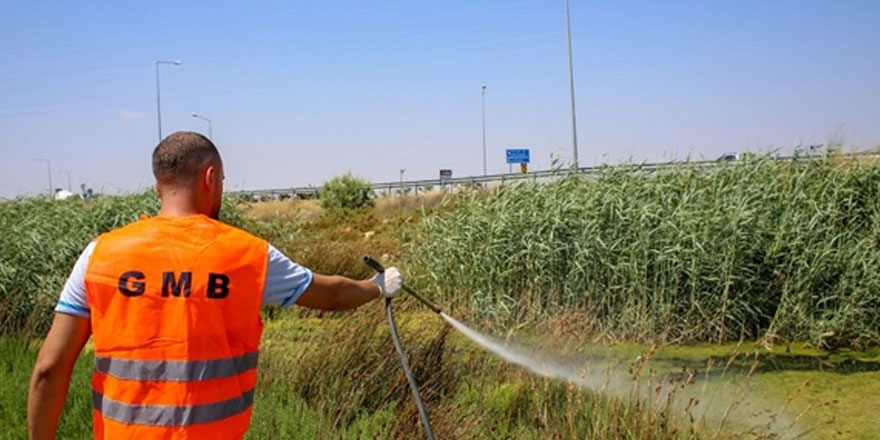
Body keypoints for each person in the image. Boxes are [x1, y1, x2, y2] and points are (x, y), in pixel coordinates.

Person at [27, 132, 402, 440]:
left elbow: (48, 369)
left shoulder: (100, 254)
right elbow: (332, 295)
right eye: (221, 181)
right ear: (210, 177)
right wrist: (376, 286)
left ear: (159, 184)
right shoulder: (246, 255)